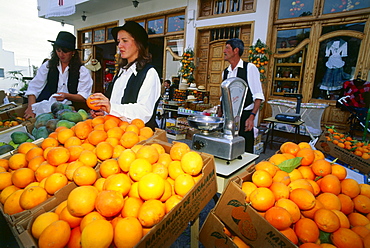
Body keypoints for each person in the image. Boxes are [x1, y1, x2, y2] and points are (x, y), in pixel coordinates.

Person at [89, 21, 161, 130]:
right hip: (115, 135)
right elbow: (115, 105)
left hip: (139, 138)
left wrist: (111, 107)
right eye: (118, 41)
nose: (119, 45)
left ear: (138, 43)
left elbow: (144, 112)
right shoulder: (120, 73)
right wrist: (103, 111)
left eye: (125, 41)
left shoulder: (149, 73)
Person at [24, 31, 93, 119]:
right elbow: (34, 88)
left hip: (74, 112)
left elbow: (83, 96)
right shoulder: (48, 66)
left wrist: (67, 96)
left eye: (65, 51)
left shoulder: (81, 70)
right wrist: (30, 108)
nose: (61, 54)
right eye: (58, 50)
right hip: (49, 110)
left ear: (73, 52)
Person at [218, 38, 265, 153]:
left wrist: (251, 117)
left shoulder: (249, 68)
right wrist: (219, 115)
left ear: (236, 50)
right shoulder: (226, 72)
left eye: (227, 48)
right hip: (228, 118)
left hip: (244, 117)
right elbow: (223, 96)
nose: (224, 51)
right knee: (228, 148)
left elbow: (258, 96)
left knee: (244, 150)